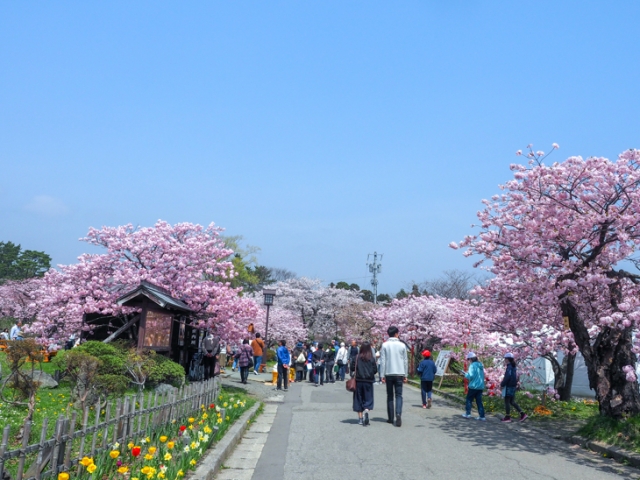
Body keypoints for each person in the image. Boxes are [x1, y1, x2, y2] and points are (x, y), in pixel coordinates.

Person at [379, 326, 408, 427]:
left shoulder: (385, 345)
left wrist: (382, 375)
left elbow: (382, 361)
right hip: (399, 373)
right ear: (396, 334)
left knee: (390, 396)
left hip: (389, 373)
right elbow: (405, 361)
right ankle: (398, 414)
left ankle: (390, 418)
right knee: (399, 395)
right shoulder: (402, 345)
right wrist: (405, 375)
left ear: (388, 334)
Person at [353, 342, 377, 426]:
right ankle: (366, 410)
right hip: (369, 381)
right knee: (368, 398)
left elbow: (352, 368)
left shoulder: (357, 357)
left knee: (358, 398)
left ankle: (360, 419)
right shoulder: (372, 358)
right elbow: (375, 370)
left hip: (358, 380)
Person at [500, 353, 528, 422]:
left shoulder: (509, 367)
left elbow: (508, 376)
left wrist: (502, 384)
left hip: (509, 386)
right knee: (512, 402)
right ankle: (522, 414)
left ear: (507, 359)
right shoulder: (513, 366)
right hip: (513, 386)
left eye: (505, 359)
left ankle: (507, 417)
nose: (504, 360)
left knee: (507, 401)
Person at [461, 352, 486, 421]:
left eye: (469, 359)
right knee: (479, 401)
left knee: (469, 400)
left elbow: (470, 376)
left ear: (471, 359)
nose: (469, 361)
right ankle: (482, 416)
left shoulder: (472, 365)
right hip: (480, 386)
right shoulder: (480, 365)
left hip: (473, 386)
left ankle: (468, 414)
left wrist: (465, 374)